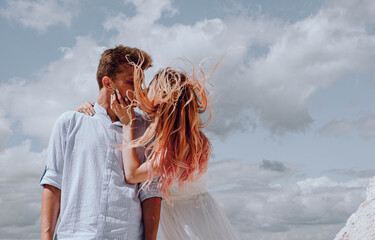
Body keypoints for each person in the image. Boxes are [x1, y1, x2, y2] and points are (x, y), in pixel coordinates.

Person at [79, 63, 239, 239]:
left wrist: (127, 125)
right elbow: (133, 104)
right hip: (190, 215)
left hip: (190, 223)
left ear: (163, 105)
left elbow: (132, 175)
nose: (145, 98)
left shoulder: (176, 147)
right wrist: (97, 108)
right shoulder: (185, 134)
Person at [40, 45, 162, 240]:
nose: (138, 90)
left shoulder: (147, 130)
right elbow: (53, 184)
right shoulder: (70, 122)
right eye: (131, 82)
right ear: (108, 83)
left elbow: (151, 191)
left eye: (140, 83)